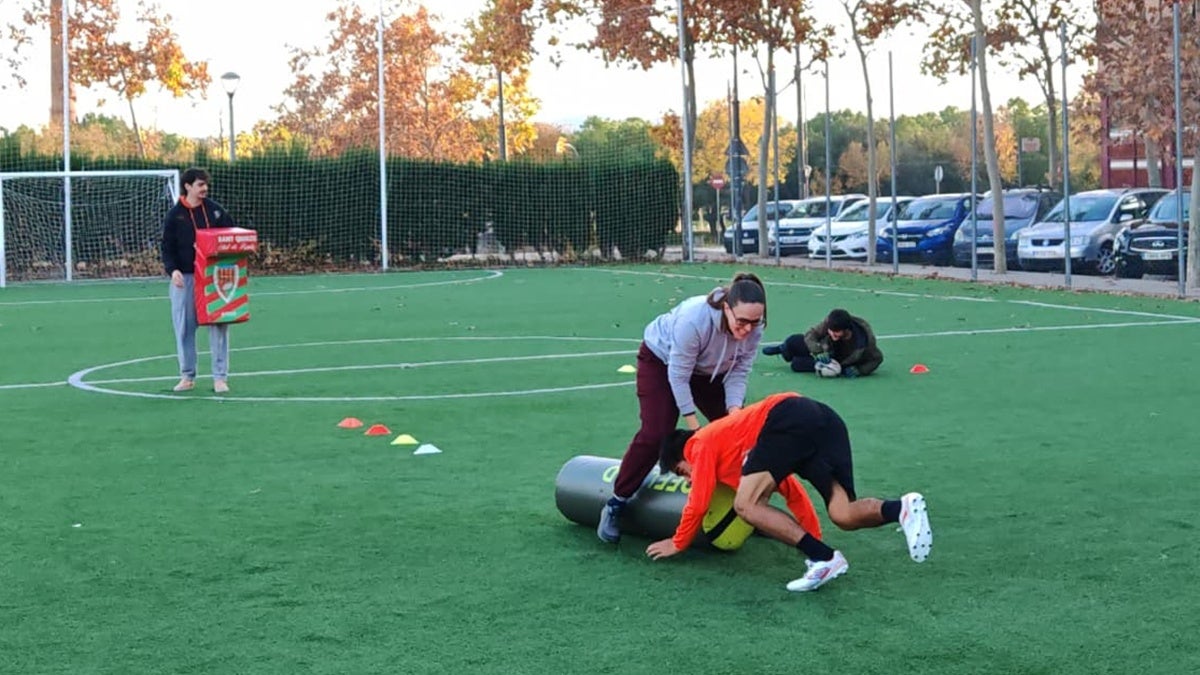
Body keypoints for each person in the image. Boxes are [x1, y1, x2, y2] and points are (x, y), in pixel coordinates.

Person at [647, 392, 932, 592]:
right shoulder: (743, 459)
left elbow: (697, 504)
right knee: (843, 513)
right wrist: (813, 537)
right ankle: (901, 509)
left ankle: (824, 558)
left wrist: (678, 542)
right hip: (824, 420)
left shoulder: (698, 444)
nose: (689, 478)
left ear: (680, 456)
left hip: (788, 414)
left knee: (744, 504)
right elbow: (792, 492)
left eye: (683, 472)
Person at [598, 272, 768, 544]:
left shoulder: (754, 327)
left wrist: (734, 411)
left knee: (741, 437)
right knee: (656, 432)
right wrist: (697, 429)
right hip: (662, 361)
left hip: (710, 372)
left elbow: (740, 370)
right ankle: (617, 503)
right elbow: (678, 376)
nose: (748, 329)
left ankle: (751, 506)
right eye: (743, 321)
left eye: (755, 322)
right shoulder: (694, 319)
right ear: (726, 307)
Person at [161, 167, 236, 393]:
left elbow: (231, 235)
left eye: (206, 185)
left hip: (214, 276)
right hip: (186, 278)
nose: (205, 189)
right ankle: (187, 376)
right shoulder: (175, 215)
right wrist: (172, 270)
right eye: (200, 185)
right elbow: (167, 247)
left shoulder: (215, 211)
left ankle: (220, 378)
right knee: (184, 327)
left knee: (218, 326)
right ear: (188, 186)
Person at [762, 308, 883, 377]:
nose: (832, 334)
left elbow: (877, 359)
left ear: (847, 330)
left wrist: (859, 370)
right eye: (830, 331)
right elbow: (811, 334)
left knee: (796, 365)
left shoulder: (865, 341)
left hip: (836, 362)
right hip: (823, 349)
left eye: (836, 332)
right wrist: (818, 351)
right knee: (793, 341)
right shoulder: (830, 322)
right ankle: (782, 349)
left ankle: (792, 355)